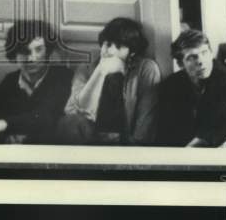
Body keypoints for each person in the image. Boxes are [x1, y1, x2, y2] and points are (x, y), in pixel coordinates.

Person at [56, 17, 161, 145]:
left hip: (126, 143)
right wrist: (100, 72)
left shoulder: (146, 69)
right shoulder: (86, 68)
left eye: (118, 46)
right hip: (89, 140)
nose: (108, 51)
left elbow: (145, 124)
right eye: (106, 44)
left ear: (132, 52)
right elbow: (71, 112)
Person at [0, 20, 73, 144]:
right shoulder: (9, 81)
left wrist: (2, 125)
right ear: (14, 53)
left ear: (47, 51)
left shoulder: (62, 76)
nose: (31, 58)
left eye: (38, 50)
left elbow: (47, 117)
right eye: (24, 51)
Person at [157, 30, 226, 147]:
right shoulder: (171, 85)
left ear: (211, 53)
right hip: (188, 148)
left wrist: (187, 152)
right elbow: (168, 129)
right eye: (192, 57)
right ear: (180, 64)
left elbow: (225, 125)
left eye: (204, 53)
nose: (201, 62)